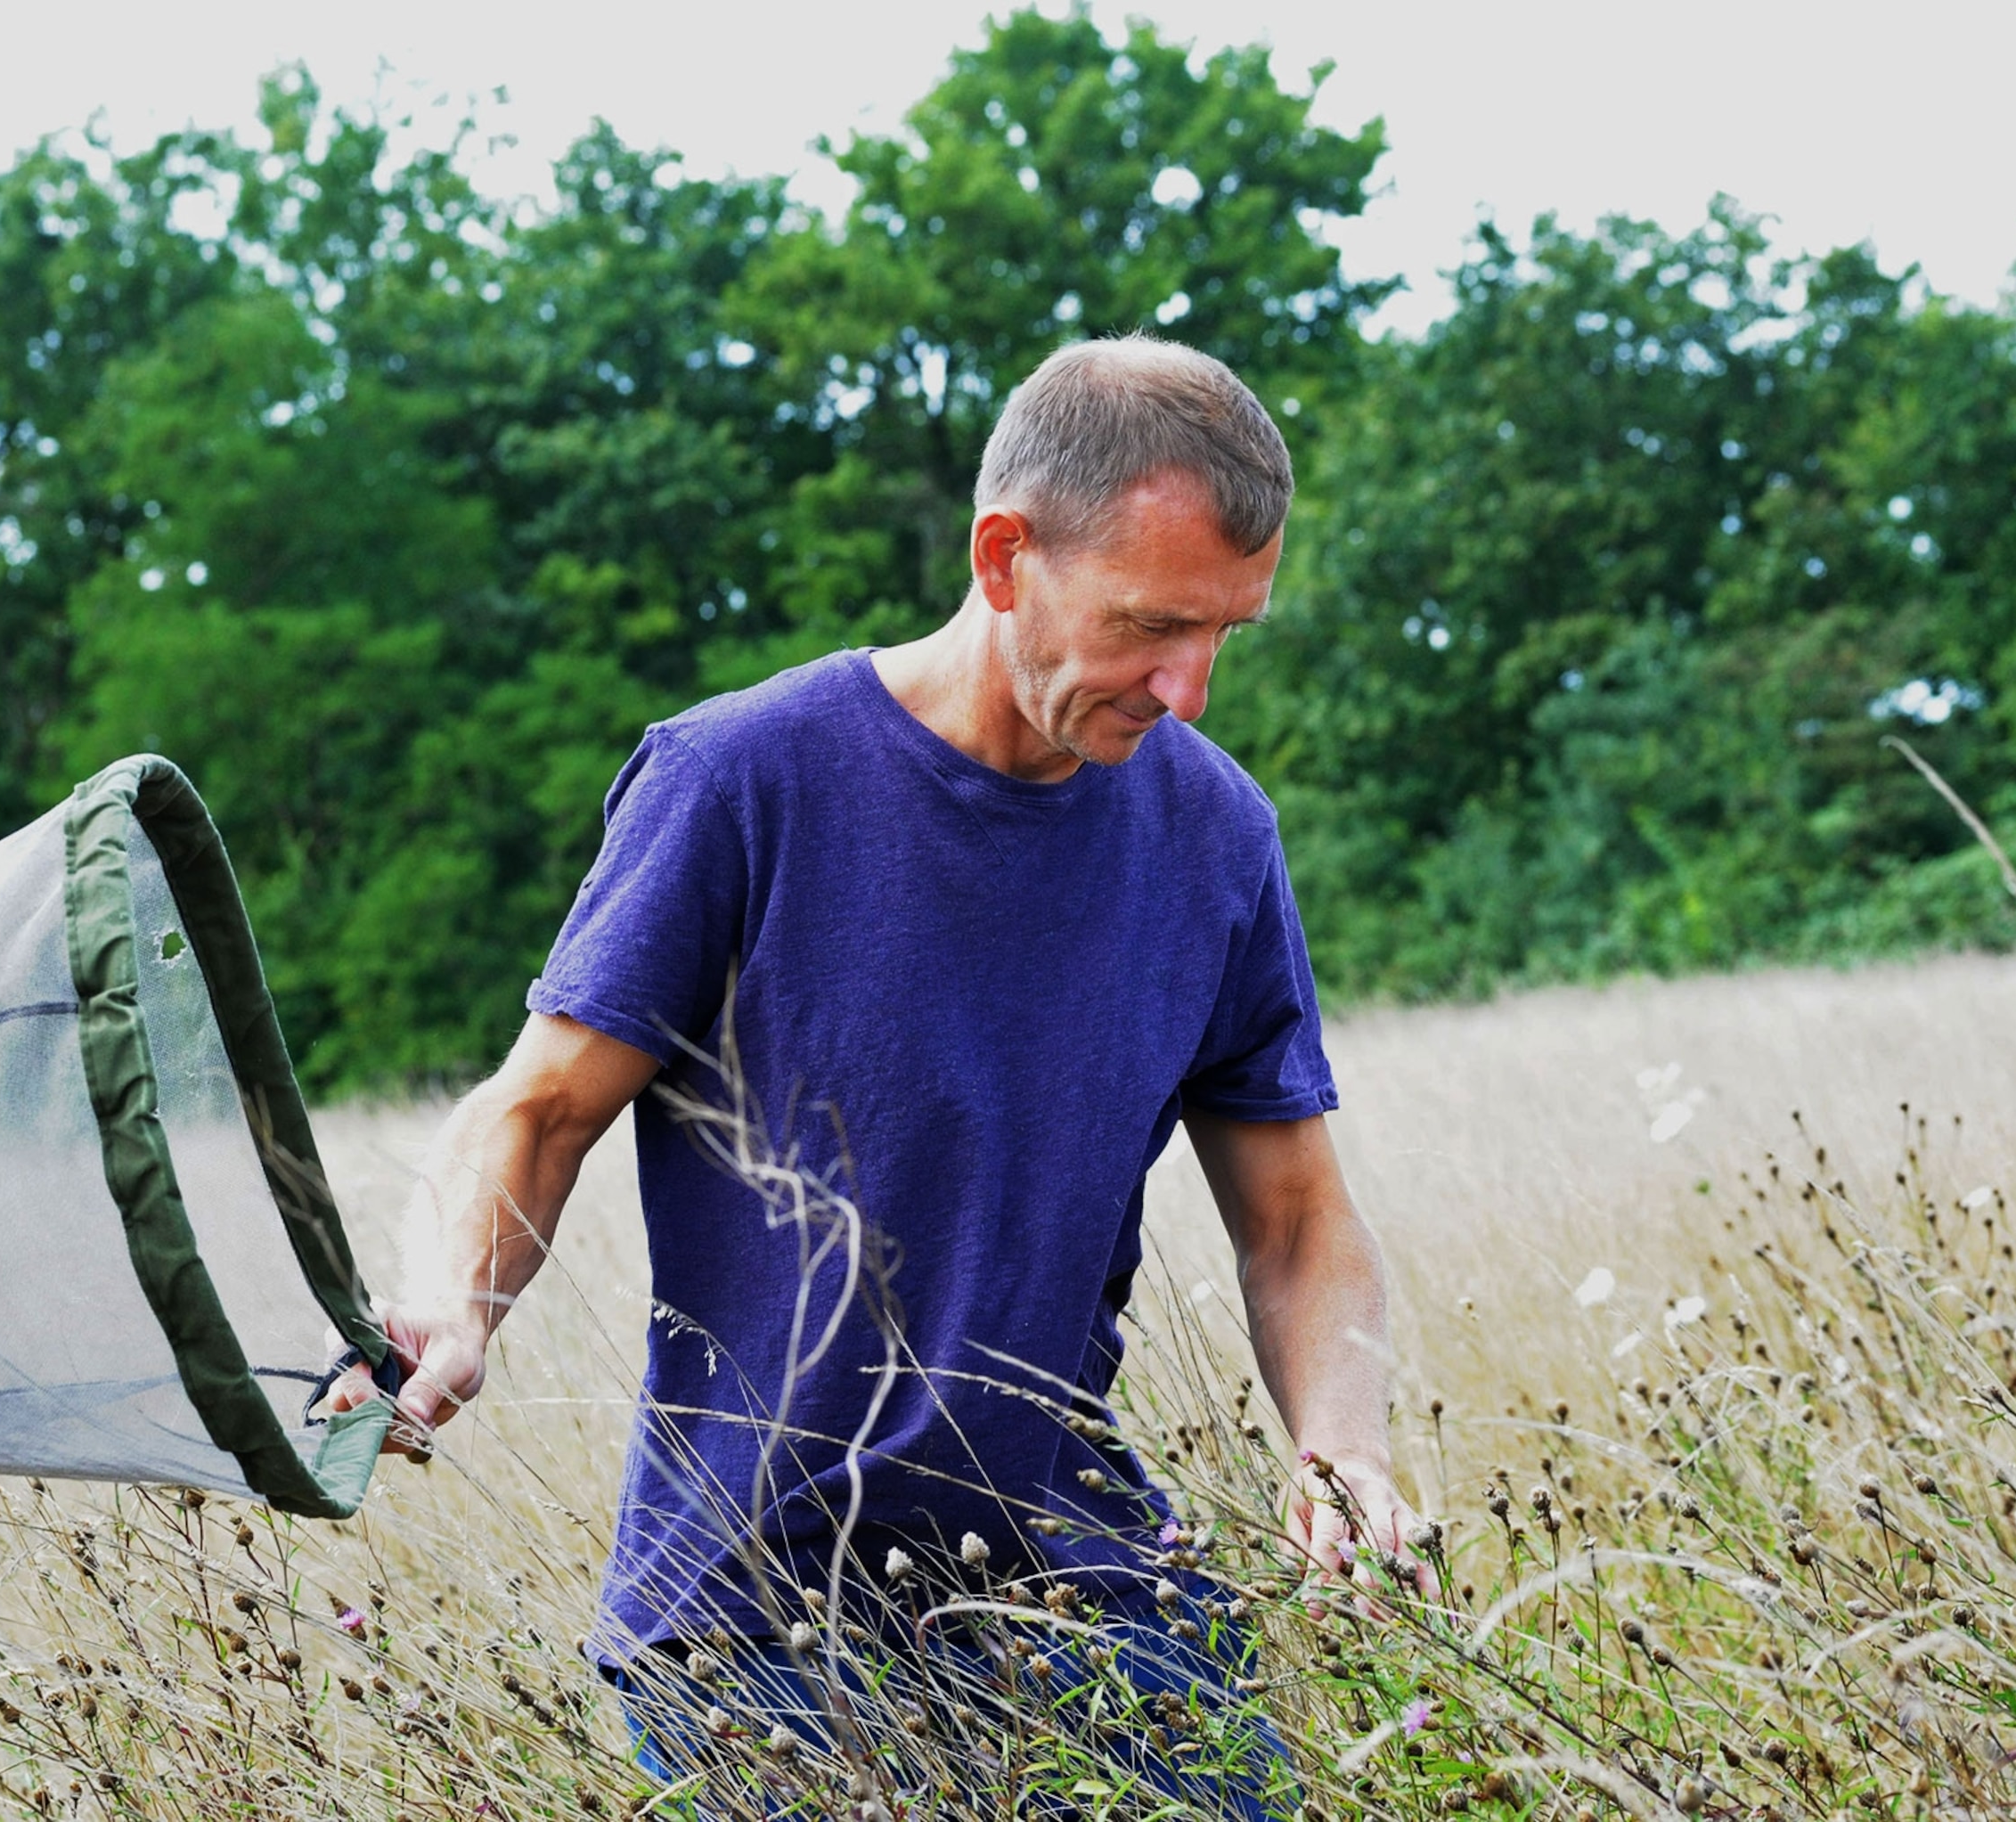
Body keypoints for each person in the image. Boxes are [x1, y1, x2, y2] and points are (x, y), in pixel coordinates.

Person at [326, 335, 1424, 1816]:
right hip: (756, 1612)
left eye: (1231, 630)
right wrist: (455, 1305)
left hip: (1074, 1576)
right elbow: (536, 1108)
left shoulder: (1219, 838)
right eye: (1154, 625)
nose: (1193, 688)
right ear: (1002, 557)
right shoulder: (742, 784)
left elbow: (1296, 1218)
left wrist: (1340, 1443)